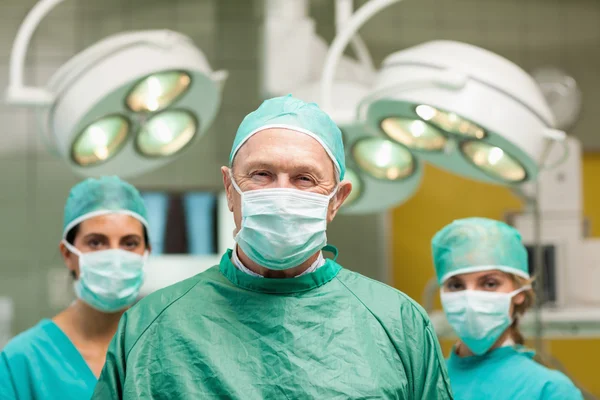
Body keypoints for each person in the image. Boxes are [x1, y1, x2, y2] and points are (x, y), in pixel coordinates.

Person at [92, 95, 453, 399]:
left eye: (304, 179)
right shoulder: (152, 325)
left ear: (336, 200)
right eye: (261, 175)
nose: (281, 195)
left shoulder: (398, 324)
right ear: (230, 188)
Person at [0, 176, 150, 400]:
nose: (115, 256)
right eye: (96, 242)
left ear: (146, 251)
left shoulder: (164, 347)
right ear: (68, 254)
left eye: (130, 243)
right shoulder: (22, 361)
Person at [432, 217, 583, 400]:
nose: (470, 299)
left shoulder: (549, 390)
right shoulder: (426, 385)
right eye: (456, 286)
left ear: (520, 292)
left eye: (489, 283)